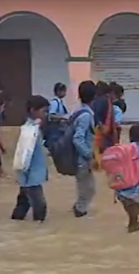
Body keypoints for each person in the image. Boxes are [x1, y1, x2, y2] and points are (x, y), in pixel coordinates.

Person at [11, 95, 50, 222]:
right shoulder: (30, 130)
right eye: (44, 111)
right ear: (33, 110)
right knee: (40, 206)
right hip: (32, 176)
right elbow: (24, 154)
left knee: (23, 204)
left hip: (28, 175)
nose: (46, 114)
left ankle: (17, 226)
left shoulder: (31, 128)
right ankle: (38, 230)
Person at [116, 124, 139, 233]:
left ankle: (130, 229)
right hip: (136, 190)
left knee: (132, 217)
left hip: (121, 190)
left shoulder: (123, 149)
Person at [73, 80, 97, 218]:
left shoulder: (78, 111)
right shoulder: (86, 116)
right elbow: (78, 138)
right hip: (82, 159)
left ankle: (79, 209)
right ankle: (80, 213)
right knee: (88, 189)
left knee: (86, 188)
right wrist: (89, 155)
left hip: (80, 158)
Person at [91, 81, 118, 170]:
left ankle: (100, 164)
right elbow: (97, 114)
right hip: (102, 128)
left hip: (101, 127)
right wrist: (101, 126)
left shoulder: (97, 100)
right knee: (101, 146)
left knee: (99, 147)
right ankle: (101, 165)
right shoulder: (103, 100)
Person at [45, 82, 69, 148]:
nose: (65, 93)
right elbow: (51, 116)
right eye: (63, 91)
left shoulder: (60, 102)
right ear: (58, 91)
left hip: (60, 131)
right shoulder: (55, 103)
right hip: (55, 132)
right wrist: (63, 118)